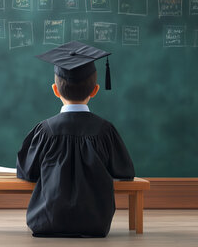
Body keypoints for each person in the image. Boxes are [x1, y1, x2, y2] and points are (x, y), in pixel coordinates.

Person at [16, 41, 135, 238]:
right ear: (95, 90)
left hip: (47, 220)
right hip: (95, 222)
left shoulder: (44, 131)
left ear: (55, 90)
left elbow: (27, 172)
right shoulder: (105, 131)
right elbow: (125, 172)